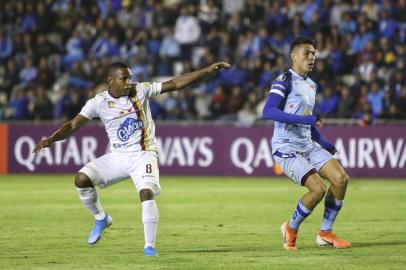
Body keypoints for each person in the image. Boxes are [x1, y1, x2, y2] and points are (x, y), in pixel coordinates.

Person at [33, 61, 230, 256]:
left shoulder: (141, 90)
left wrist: (206, 70)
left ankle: (149, 247)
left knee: (146, 193)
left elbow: (175, 84)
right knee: (81, 179)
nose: (129, 82)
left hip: (144, 153)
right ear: (110, 80)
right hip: (118, 156)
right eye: (124, 78)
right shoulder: (98, 103)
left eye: (130, 78)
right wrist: (51, 139)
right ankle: (101, 218)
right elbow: (73, 125)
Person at [262, 37, 351, 251]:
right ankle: (290, 229)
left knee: (340, 179)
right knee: (318, 189)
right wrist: (307, 120)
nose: (311, 57)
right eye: (306, 53)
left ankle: (325, 233)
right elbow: (269, 111)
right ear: (294, 56)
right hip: (286, 148)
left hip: (308, 145)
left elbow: (307, 120)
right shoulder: (284, 80)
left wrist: (325, 142)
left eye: (313, 53)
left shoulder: (311, 85)